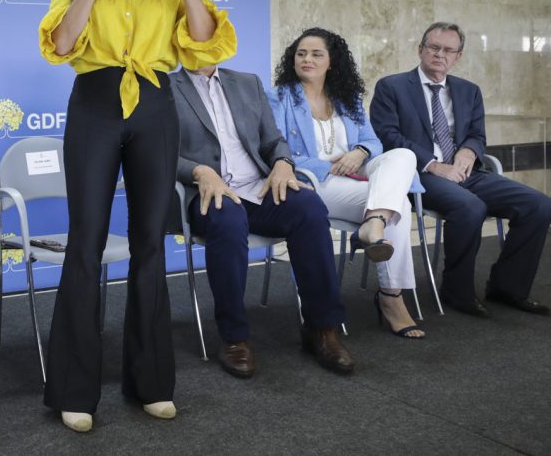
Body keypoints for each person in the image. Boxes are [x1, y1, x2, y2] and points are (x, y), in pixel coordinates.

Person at [38, 0, 237, 432]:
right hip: (96, 102)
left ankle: (150, 383)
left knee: (151, 241)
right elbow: (60, 42)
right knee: (87, 243)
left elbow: (202, 50)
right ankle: (74, 391)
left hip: (154, 101)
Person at [173, 65, 354, 379]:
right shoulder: (163, 86)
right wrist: (200, 172)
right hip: (207, 192)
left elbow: (273, 140)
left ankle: (322, 328)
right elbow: (158, 151)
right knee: (228, 219)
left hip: (258, 187)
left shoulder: (246, 81)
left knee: (309, 207)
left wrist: (283, 163)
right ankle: (234, 338)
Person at [370, 21, 551, 318]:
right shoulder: (393, 86)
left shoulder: (469, 91)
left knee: (539, 206)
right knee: (470, 207)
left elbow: (477, 135)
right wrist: (433, 164)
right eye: (434, 47)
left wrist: (468, 151)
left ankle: (508, 287)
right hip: (419, 176)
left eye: (449, 50)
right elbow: (388, 135)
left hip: (466, 173)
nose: (440, 54)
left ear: (458, 56)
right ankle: (457, 291)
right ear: (421, 50)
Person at [269, 28, 424, 339]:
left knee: (403, 155)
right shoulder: (279, 97)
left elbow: (372, 141)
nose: (307, 59)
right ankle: (391, 299)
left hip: (357, 176)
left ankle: (374, 224)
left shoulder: (347, 97)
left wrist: (360, 152)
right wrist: (329, 166)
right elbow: (275, 148)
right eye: (301, 54)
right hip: (314, 183)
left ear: (331, 61)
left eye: (316, 54)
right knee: (400, 205)